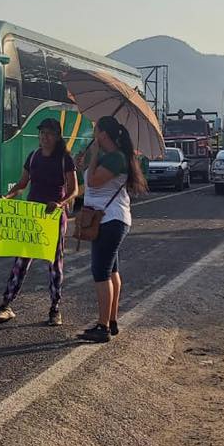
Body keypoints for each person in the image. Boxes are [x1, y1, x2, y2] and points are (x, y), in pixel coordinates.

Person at [0, 118, 77, 326]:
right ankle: (6, 304)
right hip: (32, 217)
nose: (44, 137)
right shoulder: (34, 157)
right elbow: (22, 184)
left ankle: (55, 309)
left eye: (49, 133)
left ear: (57, 137)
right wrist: (5, 197)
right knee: (21, 262)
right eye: (41, 133)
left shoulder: (65, 159)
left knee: (54, 264)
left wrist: (60, 203)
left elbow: (74, 189)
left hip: (53, 217)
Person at [79, 116, 147, 343]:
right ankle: (111, 320)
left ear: (103, 135)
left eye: (95, 131)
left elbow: (95, 182)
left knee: (101, 272)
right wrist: (89, 159)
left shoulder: (116, 158)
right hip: (109, 220)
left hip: (110, 221)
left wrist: (94, 154)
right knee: (112, 271)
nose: (93, 135)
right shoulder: (112, 157)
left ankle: (102, 326)